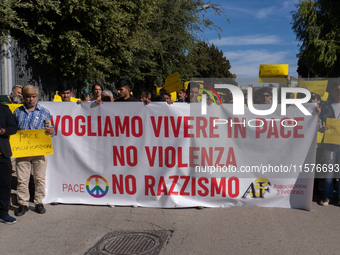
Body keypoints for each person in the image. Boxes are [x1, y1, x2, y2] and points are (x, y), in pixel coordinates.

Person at [13, 85, 54, 216]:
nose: (31, 99)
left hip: (39, 151)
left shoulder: (44, 112)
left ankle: (38, 202)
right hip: (22, 151)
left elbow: (50, 129)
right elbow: (13, 129)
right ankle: (23, 203)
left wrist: (51, 131)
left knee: (39, 178)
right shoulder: (17, 112)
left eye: (33, 96)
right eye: (28, 96)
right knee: (22, 179)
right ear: (23, 97)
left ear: (37, 97)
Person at [318, 82, 340, 205]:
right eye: (337, 89)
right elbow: (319, 122)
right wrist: (321, 128)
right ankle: (328, 195)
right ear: (332, 92)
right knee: (329, 170)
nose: (339, 92)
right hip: (330, 143)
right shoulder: (326, 106)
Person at [0, 104, 18, 224]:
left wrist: (4, 131)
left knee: (5, 185)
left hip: (3, 154)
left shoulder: (4, 109)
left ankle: (3, 213)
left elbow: (13, 127)